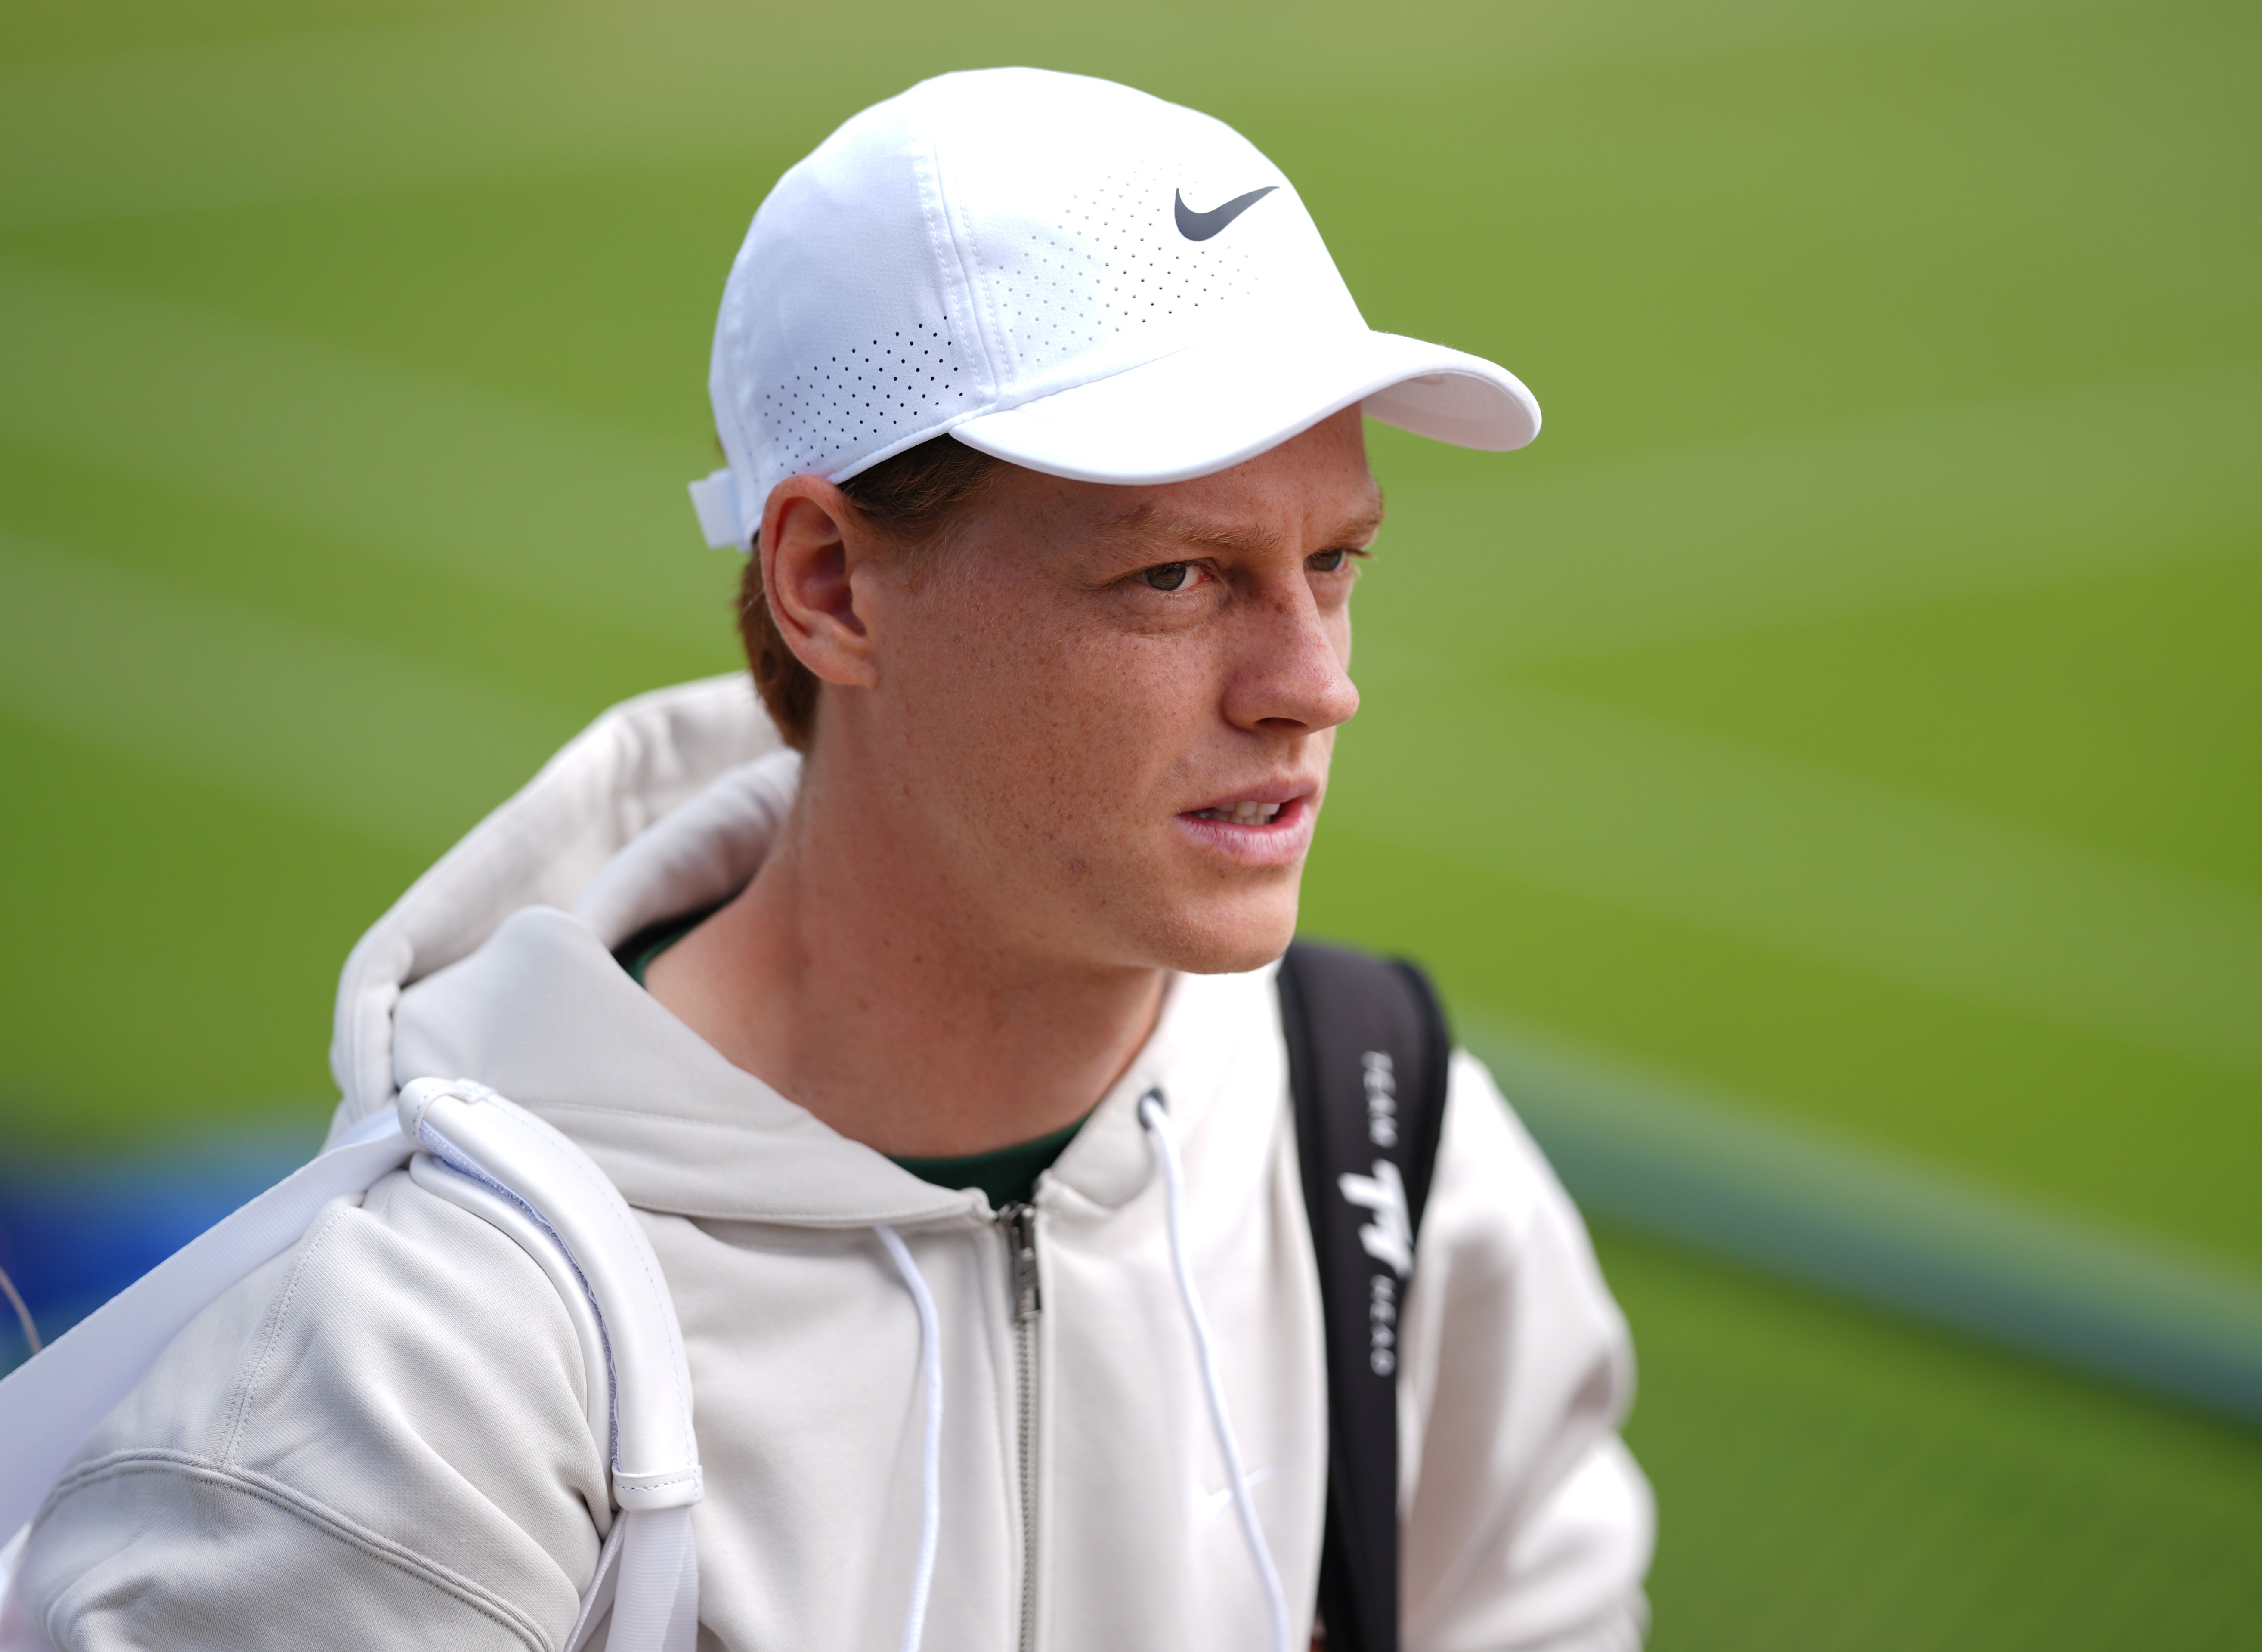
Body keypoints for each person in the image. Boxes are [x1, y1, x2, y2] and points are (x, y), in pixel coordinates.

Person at [6, 68, 1652, 1650]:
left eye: (1335, 560)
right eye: (1174, 579)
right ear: (831, 589)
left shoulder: (1387, 1150)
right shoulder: (413, 1396)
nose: (1313, 683)